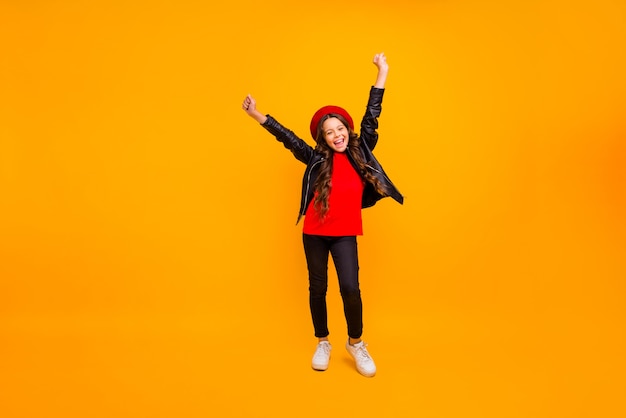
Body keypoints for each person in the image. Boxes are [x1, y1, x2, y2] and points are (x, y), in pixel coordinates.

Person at [241, 52, 403, 377]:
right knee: (317, 289)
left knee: (350, 288)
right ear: (323, 138)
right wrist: (257, 114)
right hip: (314, 233)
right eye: (329, 132)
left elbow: (372, 116)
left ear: (347, 129)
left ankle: (355, 343)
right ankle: (323, 341)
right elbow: (287, 138)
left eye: (340, 128)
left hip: (345, 233)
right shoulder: (315, 158)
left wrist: (382, 72)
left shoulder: (361, 150)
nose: (336, 135)